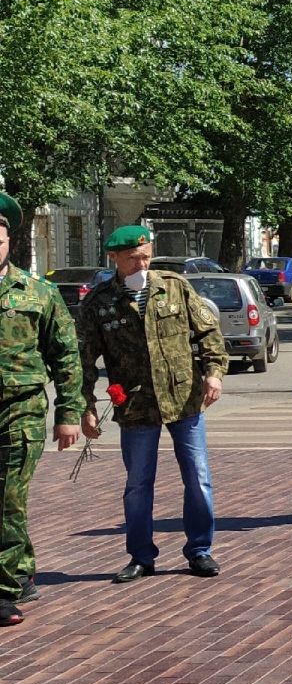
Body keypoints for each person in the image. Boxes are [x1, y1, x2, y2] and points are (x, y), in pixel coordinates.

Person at [75, 225, 227, 581]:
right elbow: (82, 360)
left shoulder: (173, 286)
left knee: (198, 477)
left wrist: (214, 372)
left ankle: (200, 550)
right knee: (138, 484)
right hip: (136, 404)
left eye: (146, 257)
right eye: (132, 259)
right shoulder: (99, 302)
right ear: (114, 258)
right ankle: (141, 556)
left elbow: (208, 333)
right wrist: (86, 406)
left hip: (184, 399)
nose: (141, 265)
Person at [0, 192, 84, 624]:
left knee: (8, 499)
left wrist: (69, 413)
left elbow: (66, 356)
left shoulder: (39, 292)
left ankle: (2, 591)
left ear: (8, 240)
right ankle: (22, 572)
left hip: (20, 410)